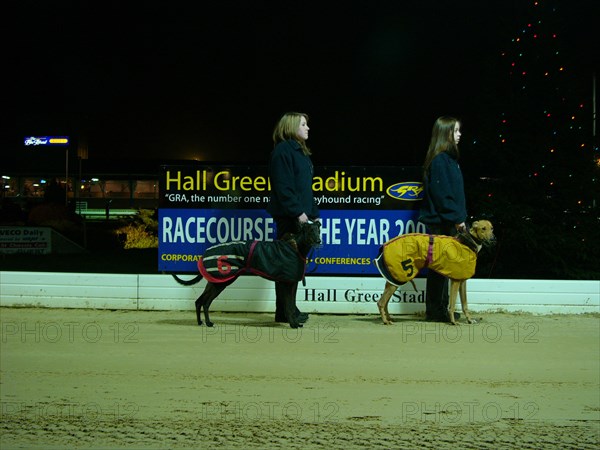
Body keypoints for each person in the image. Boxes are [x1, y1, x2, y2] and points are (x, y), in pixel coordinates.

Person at [267, 112, 320, 324]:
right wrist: (298, 213)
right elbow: (283, 188)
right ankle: (285, 312)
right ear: (291, 127)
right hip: (291, 218)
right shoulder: (282, 151)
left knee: (294, 266)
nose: (308, 128)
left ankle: (289, 309)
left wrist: (314, 216)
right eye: (303, 124)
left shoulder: (301, 153)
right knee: (287, 266)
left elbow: (306, 190)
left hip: (303, 219)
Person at [418, 116, 467, 322]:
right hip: (442, 222)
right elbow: (443, 195)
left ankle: (443, 309)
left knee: (445, 266)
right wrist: (457, 219)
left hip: (448, 220)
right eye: (456, 131)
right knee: (439, 267)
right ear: (446, 134)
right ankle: (435, 310)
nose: (459, 134)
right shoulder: (440, 160)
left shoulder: (449, 159)